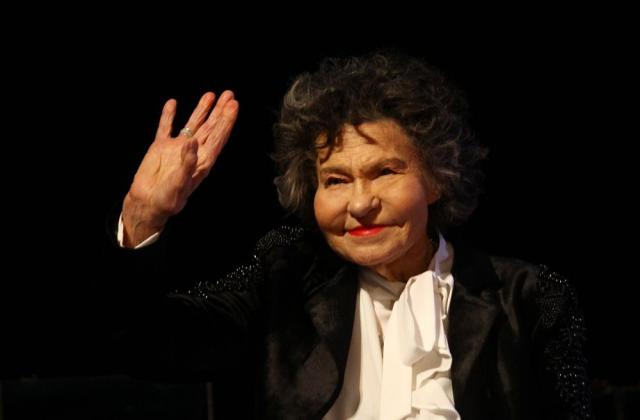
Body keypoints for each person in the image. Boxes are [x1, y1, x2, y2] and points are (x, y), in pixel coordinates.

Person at [108, 51, 593, 419]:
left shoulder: (529, 298)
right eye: (336, 180)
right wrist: (143, 216)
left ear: (436, 180)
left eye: (385, 172)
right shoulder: (284, 281)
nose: (360, 203)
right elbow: (148, 344)